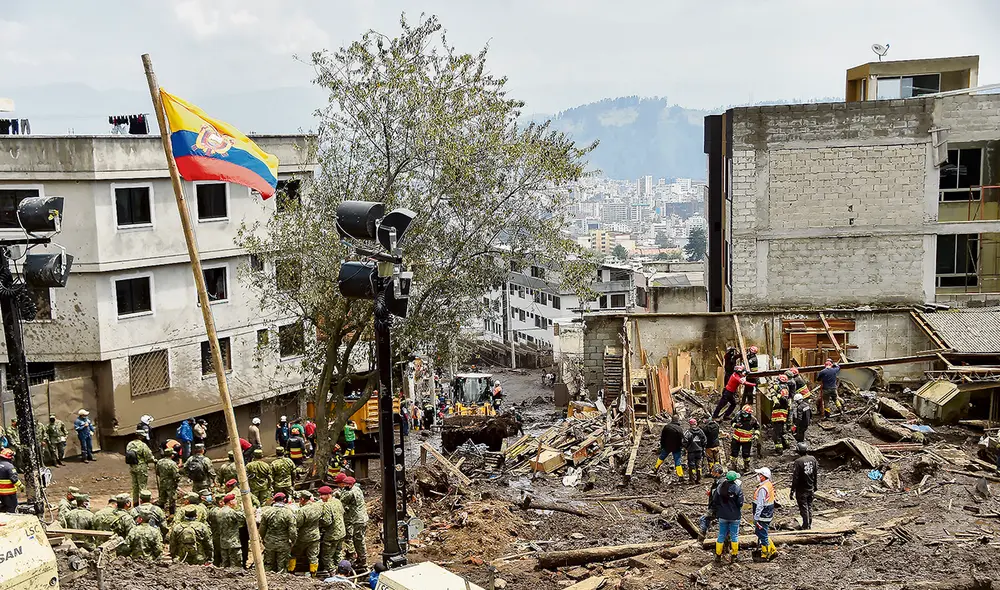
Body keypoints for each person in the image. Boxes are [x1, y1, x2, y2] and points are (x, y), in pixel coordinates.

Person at [293, 490, 329, 576]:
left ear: (302, 499)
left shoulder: (302, 511)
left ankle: (291, 572)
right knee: (313, 557)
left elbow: (298, 524)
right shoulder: (318, 507)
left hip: (303, 537)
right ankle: (313, 575)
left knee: (294, 554)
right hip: (315, 536)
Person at [259, 492, 297, 573]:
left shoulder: (267, 512)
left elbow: (262, 530)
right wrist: (293, 541)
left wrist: (263, 539)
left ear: (274, 500)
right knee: (282, 566)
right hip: (283, 544)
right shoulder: (288, 513)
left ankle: (266, 582)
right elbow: (292, 531)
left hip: (269, 542)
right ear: (285, 500)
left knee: (268, 564)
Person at [338, 475, 368, 568]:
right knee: (358, 539)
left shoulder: (350, 493)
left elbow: (342, 501)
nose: (344, 486)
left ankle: (362, 561)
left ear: (350, 485)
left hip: (357, 519)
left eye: (346, 484)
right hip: (362, 517)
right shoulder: (357, 489)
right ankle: (360, 558)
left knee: (358, 540)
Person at [715, 471, 743, 563]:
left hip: (722, 515)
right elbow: (740, 503)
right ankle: (734, 556)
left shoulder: (720, 487)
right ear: (735, 479)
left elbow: (715, 500)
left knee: (721, 535)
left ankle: (718, 556)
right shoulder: (737, 489)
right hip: (734, 516)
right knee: (734, 536)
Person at [318, 485, 346, 576]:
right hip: (341, 532)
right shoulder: (338, 501)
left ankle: (333, 573)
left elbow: (327, 522)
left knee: (326, 556)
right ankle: (342, 571)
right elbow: (343, 512)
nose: (320, 497)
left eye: (322, 495)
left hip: (332, 535)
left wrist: (319, 522)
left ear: (328, 495)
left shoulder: (327, 505)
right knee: (338, 553)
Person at [790, 442, 819, 530]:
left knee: (803, 508)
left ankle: (805, 526)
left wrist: (792, 491)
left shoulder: (798, 462)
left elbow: (795, 478)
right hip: (810, 488)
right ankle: (809, 524)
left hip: (801, 490)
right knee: (809, 506)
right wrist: (815, 485)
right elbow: (815, 473)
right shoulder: (813, 459)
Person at [215, 493, 246, 568]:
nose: (236, 501)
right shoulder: (231, 512)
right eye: (234, 500)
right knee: (236, 565)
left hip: (223, 541)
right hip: (233, 542)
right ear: (230, 502)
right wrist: (243, 509)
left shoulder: (219, 512)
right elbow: (243, 518)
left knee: (225, 564)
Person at [752, 467, 777, 561]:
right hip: (768, 514)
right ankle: (772, 549)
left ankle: (765, 554)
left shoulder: (763, 489)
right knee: (762, 533)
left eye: (759, 475)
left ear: (764, 476)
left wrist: (756, 517)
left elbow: (760, 505)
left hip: (763, 516)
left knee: (762, 534)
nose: (758, 476)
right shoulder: (768, 485)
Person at [126, 429, 154, 505]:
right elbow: (149, 457)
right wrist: (154, 460)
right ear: (141, 437)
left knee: (135, 486)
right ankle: (144, 504)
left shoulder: (130, 444)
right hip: (141, 467)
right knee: (142, 486)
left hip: (132, 467)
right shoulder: (143, 445)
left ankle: (135, 504)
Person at [698, 464, 726, 541]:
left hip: (717, 507)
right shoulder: (720, 480)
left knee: (703, 519)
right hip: (720, 506)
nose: (711, 473)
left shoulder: (720, 482)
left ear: (717, 472)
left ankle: (701, 539)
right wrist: (711, 493)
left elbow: (719, 495)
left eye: (712, 471)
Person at [653, 414, 685, 479]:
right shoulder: (679, 429)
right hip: (676, 448)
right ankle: (680, 475)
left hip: (667, 446)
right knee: (677, 460)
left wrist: (662, 446)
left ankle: (655, 468)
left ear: (672, 420)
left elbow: (662, 438)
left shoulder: (667, 427)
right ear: (678, 420)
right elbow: (682, 439)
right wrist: (682, 447)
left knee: (662, 457)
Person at [730, 405, 760, 473]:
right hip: (736, 438)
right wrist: (735, 425)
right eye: (743, 413)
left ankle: (746, 466)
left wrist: (756, 435)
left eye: (746, 414)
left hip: (747, 440)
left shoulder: (753, 419)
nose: (744, 415)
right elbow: (732, 422)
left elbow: (757, 428)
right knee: (734, 453)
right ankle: (733, 466)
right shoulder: (738, 416)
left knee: (746, 454)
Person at [682, 418, 707, 483]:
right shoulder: (701, 431)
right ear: (696, 423)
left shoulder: (688, 432)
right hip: (699, 451)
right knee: (698, 465)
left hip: (691, 451)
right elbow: (705, 440)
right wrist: (702, 447)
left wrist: (687, 447)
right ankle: (699, 479)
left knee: (691, 465)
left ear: (690, 424)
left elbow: (684, 441)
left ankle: (692, 480)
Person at [156, 447, 180, 515]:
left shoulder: (159, 462)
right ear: (171, 455)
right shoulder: (172, 463)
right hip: (171, 484)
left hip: (162, 482)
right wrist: (176, 482)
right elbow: (176, 476)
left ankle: (160, 514)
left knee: (162, 499)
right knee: (172, 500)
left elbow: (157, 472)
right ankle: (172, 514)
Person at [770, 379, 791, 452]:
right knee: (782, 432)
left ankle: (779, 449)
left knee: (776, 435)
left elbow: (775, 396)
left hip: (777, 419)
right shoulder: (787, 399)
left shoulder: (782, 399)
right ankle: (786, 445)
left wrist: (772, 390)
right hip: (782, 419)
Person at [0, 447, 21, 513]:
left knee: (3, 508)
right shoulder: (10, 467)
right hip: (9, 492)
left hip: (0, 493)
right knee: (12, 508)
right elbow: (14, 479)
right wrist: (21, 486)